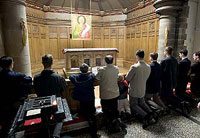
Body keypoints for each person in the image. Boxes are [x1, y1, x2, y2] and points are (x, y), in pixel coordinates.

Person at [0, 56, 32, 137]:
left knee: (5, 124)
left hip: (2, 104)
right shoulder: (17, 75)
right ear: (11, 64)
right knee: (16, 122)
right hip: (15, 104)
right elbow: (29, 80)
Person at [126, 50, 156, 129]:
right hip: (143, 88)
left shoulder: (134, 67)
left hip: (134, 89)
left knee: (133, 105)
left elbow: (127, 78)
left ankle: (146, 116)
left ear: (137, 56)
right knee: (142, 103)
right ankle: (151, 113)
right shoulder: (148, 66)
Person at [96, 55, 125, 133]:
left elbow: (97, 78)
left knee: (105, 110)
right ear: (112, 60)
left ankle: (109, 125)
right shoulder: (116, 68)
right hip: (114, 93)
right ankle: (115, 123)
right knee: (114, 109)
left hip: (105, 95)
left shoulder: (101, 69)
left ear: (105, 61)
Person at [69, 63, 98, 138]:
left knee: (83, 111)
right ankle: (94, 133)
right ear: (87, 70)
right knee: (91, 115)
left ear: (80, 70)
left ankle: (83, 127)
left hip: (81, 99)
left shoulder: (77, 77)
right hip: (90, 99)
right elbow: (94, 75)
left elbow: (71, 76)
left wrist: (77, 76)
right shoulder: (91, 77)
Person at [160, 47, 190, 115]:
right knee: (170, 95)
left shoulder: (164, 60)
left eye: (164, 51)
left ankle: (169, 106)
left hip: (166, 82)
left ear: (166, 51)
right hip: (173, 81)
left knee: (165, 95)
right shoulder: (175, 60)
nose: (164, 53)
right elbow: (177, 71)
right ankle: (182, 102)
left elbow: (161, 72)